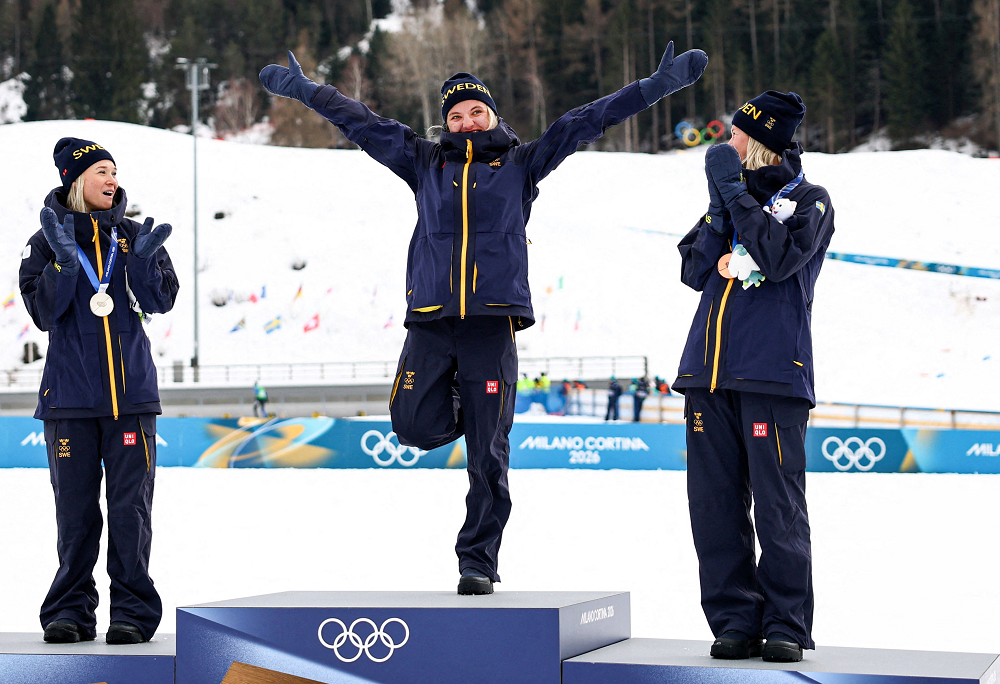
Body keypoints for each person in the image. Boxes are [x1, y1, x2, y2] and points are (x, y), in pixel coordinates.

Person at [260, 44, 706, 595]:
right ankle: (462, 407)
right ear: (443, 124)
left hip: (491, 324)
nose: (466, 122)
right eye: (455, 116)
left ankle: (478, 560)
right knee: (411, 424)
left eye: (476, 112)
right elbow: (360, 122)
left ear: (492, 115)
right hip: (431, 319)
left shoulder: (522, 164)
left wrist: (656, 86)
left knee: (488, 455)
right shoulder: (423, 161)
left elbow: (586, 121)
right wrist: (306, 90)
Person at [672, 91, 833, 663]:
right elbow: (693, 269)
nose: (726, 142)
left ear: (761, 143)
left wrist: (736, 197)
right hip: (706, 377)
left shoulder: (809, 201)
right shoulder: (728, 197)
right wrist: (719, 209)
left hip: (771, 376)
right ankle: (735, 619)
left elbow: (777, 258)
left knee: (777, 506)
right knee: (713, 507)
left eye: (737, 136)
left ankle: (787, 622)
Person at [19, 138, 178, 644]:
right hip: (68, 401)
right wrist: (64, 264)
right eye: (101, 171)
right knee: (76, 514)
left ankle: (131, 612)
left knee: (131, 511)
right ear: (75, 180)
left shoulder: (135, 236)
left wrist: (143, 265)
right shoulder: (44, 241)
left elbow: (162, 300)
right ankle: (69, 610)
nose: (112, 180)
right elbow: (43, 314)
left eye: (114, 171)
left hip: (130, 400)